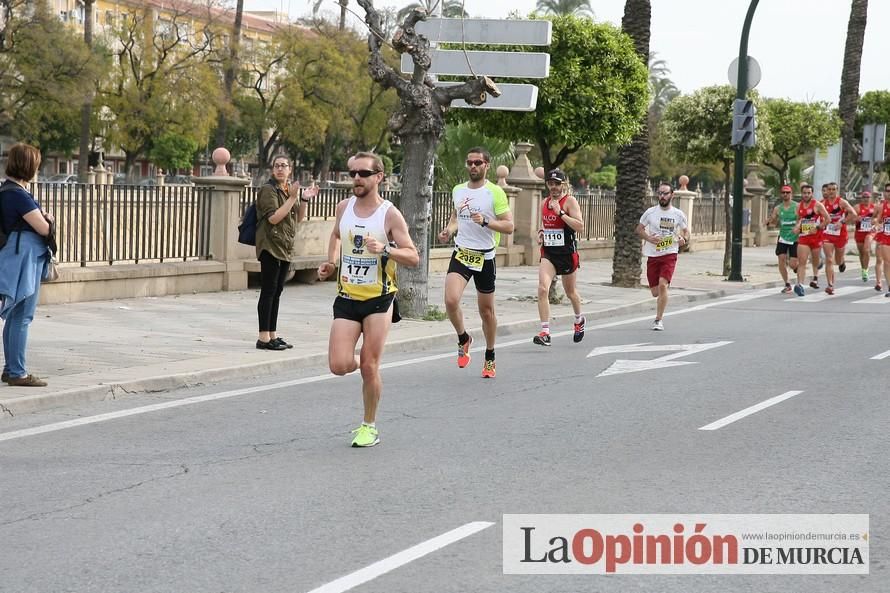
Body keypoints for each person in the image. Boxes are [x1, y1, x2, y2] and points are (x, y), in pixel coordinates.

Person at [317, 152, 419, 447]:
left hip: (379, 298)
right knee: (338, 365)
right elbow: (336, 235)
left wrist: (385, 249)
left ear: (379, 177)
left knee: (370, 366)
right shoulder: (343, 207)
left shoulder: (389, 214)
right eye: (352, 174)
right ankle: (365, 362)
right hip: (347, 296)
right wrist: (331, 262)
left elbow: (412, 256)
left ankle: (369, 425)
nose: (357, 179)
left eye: (363, 173)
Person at [438, 147, 514, 378]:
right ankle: (464, 338)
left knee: (486, 311)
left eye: (478, 163)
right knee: (451, 301)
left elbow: (509, 226)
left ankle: (490, 357)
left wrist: (486, 222)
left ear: (487, 165)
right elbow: (456, 217)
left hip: (485, 257)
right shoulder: (458, 190)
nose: (473, 166)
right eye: (470, 162)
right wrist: (448, 230)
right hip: (462, 252)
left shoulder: (495, 193)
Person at [0, 143, 54, 387]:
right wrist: (49, 220)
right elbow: (43, 228)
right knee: (22, 316)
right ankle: (17, 372)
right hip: (24, 261)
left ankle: (11, 369)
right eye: (36, 165)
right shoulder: (18, 195)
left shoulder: (6, 191)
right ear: (29, 166)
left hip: (14, 258)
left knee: (14, 316)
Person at [254, 155, 317, 350]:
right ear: (273, 170)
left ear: (290, 169)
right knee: (268, 291)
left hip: (285, 247)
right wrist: (291, 198)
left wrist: (303, 199)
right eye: (277, 166)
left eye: (284, 166)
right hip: (270, 246)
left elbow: (297, 218)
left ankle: (272, 334)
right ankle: (263, 338)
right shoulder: (268, 190)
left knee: (277, 291)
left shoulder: (287, 189)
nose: (280, 169)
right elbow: (273, 218)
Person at [532, 168, 586, 346]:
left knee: (570, 292)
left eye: (557, 184)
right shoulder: (544, 202)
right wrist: (541, 232)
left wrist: (561, 213)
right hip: (549, 253)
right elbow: (544, 222)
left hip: (566, 253)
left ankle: (579, 320)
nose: (553, 187)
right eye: (550, 184)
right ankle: (545, 332)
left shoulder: (569, 201)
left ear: (563, 184)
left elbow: (579, 226)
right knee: (542, 289)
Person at [636, 183, 689, 331]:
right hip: (653, 254)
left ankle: (658, 320)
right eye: (660, 193)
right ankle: (663, 293)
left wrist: (683, 239)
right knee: (655, 292)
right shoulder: (650, 212)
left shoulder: (678, 214)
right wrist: (648, 238)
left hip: (669, 253)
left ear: (672, 195)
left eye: (665, 193)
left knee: (662, 285)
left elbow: (686, 232)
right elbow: (639, 229)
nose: (662, 196)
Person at [791, 183, 831, 296]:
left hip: (816, 237)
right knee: (802, 261)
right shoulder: (798, 206)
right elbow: (799, 220)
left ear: (812, 194)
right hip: (804, 237)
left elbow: (828, 219)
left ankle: (818, 264)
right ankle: (800, 285)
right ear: (801, 194)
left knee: (815, 261)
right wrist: (797, 227)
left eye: (808, 193)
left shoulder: (817, 205)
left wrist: (817, 227)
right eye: (804, 193)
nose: (806, 195)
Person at [819, 181, 857, 295]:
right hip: (827, 234)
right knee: (829, 259)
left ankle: (842, 262)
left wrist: (842, 222)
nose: (831, 192)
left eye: (833, 189)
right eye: (829, 189)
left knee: (838, 259)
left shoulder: (841, 202)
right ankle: (830, 285)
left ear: (837, 190)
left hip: (840, 233)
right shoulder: (821, 204)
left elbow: (854, 214)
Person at [766, 185, 799, 294]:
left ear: (791, 194)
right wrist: (769, 222)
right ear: (781, 194)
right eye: (783, 192)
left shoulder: (797, 207)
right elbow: (774, 223)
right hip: (783, 237)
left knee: (793, 264)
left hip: (795, 237)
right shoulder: (777, 208)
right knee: (781, 258)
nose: (785, 194)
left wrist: (798, 227)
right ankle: (787, 284)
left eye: (787, 192)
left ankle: (798, 269)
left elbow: (802, 220)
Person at [853, 190, 883, 290]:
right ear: (862, 198)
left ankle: (865, 271)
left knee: (866, 249)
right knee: (862, 253)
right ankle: (863, 269)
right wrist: (858, 218)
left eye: (868, 197)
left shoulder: (875, 207)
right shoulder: (857, 207)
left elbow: (879, 219)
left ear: (871, 198)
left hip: (870, 232)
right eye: (864, 197)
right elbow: (851, 218)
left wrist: (874, 220)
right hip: (859, 232)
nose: (866, 199)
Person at [877, 183, 890, 298]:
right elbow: (877, 220)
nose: (888, 193)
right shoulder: (882, 206)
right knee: (887, 262)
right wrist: (877, 224)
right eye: (887, 191)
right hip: (886, 236)